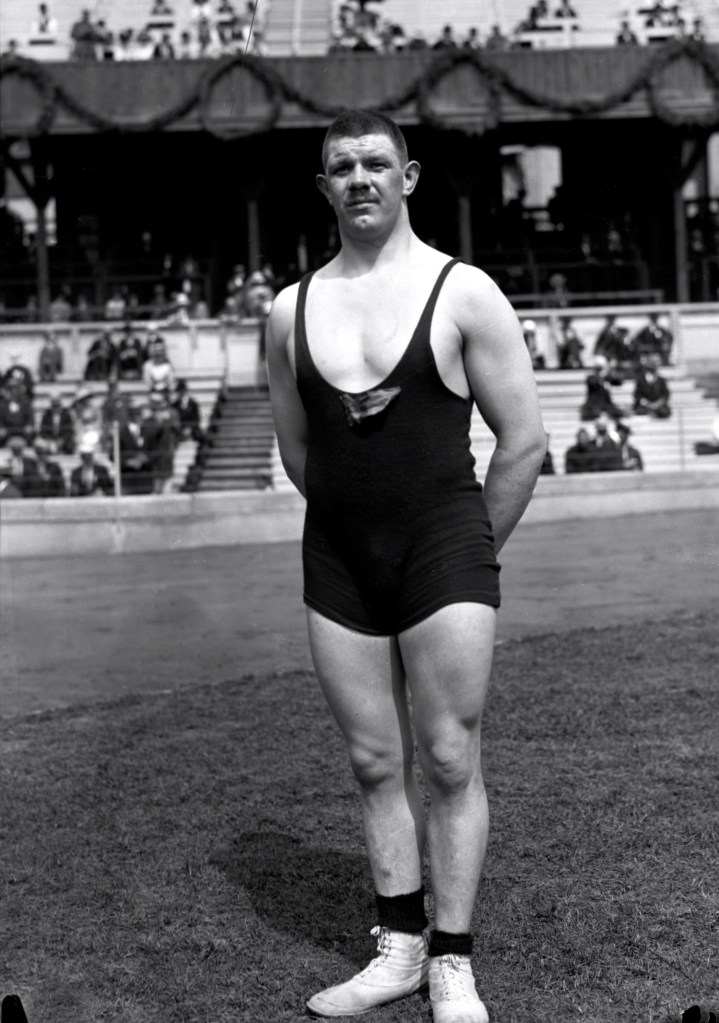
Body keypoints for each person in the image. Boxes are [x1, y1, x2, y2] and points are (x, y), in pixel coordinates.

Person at [266, 109, 547, 1023]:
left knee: (448, 756)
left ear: (409, 175)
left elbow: (524, 442)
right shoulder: (288, 311)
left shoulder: (464, 293)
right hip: (339, 558)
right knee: (372, 759)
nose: (359, 179)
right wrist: (357, 528)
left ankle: (453, 962)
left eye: (375, 163)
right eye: (341, 166)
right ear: (323, 187)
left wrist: (468, 551)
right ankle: (396, 948)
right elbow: (301, 455)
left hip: (444, 551)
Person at [579, 355, 624, 422]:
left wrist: (612, 370)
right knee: (592, 413)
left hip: (606, 404)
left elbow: (619, 382)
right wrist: (602, 375)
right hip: (594, 404)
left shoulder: (607, 377)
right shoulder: (591, 377)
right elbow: (593, 382)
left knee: (619, 413)